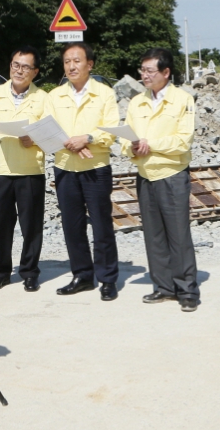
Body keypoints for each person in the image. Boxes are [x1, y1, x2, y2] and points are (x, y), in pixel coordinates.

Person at [126, 48, 200, 312]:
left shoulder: (183, 100)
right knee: (153, 235)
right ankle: (163, 286)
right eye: (142, 70)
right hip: (145, 175)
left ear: (165, 72)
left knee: (178, 235)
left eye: (149, 71)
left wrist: (151, 144)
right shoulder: (136, 102)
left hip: (171, 175)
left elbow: (183, 141)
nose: (144, 75)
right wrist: (131, 148)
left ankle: (188, 290)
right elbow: (126, 137)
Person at [45, 42, 119, 298]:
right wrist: (72, 144)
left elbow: (111, 132)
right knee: (72, 226)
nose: (71, 66)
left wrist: (87, 137)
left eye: (77, 61)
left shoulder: (104, 94)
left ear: (90, 64)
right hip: (64, 167)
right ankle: (82, 275)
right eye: (67, 61)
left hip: (96, 168)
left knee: (101, 225)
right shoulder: (54, 96)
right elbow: (48, 130)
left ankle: (107, 278)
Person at [0, 46, 49, 292]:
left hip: (30, 171)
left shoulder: (43, 99)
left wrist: (35, 139)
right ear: (10, 66)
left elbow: (52, 134)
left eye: (26, 67)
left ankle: (29, 272)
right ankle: (1, 272)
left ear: (35, 72)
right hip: (0, 170)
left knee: (31, 226)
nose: (19, 70)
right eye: (16, 65)